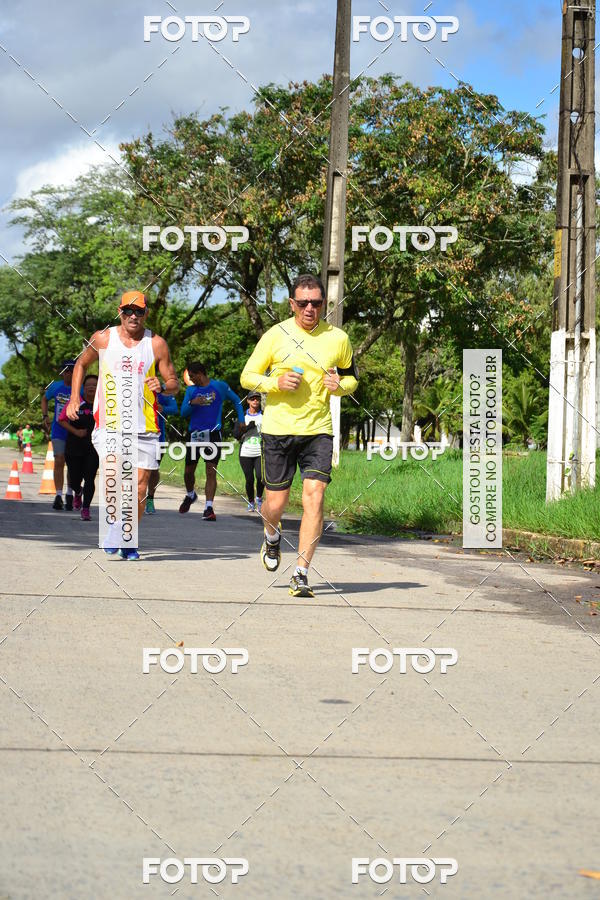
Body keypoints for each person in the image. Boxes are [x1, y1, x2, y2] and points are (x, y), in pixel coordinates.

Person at [240, 273, 358, 598]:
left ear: (323, 304)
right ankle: (272, 536)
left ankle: (301, 573)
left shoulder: (338, 339)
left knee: (315, 496)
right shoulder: (275, 336)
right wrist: (273, 384)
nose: (309, 308)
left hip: (318, 431)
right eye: (303, 302)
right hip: (278, 430)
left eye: (316, 303)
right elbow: (247, 375)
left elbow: (351, 380)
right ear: (292, 303)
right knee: (274, 505)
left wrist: (340, 387)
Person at [66, 291, 179, 559]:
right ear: (119, 312)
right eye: (128, 311)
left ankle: (128, 537)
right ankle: (116, 527)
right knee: (114, 476)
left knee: (140, 485)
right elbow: (80, 364)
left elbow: (174, 382)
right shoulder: (103, 338)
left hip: (146, 426)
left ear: (146, 314)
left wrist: (163, 386)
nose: (133, 316)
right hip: (110, 423)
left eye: (138, 311)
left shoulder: (157, 344)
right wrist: (74, 398)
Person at [179, 362, 244, 520]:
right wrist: (192, 403)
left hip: (213, 434)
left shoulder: (219, 386)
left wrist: (241, 420)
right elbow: (183, 413)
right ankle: (190, 495)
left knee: (211, 471)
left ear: (200, 373)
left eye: (192, 376)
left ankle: (208, 508)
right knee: (188, 472)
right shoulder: (191, 390)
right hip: (195, 435)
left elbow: (236, 400)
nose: (191, 379)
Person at [58, 375, 99, 521]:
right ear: (83, 387)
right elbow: (61, 419)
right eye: (88, 385)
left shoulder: (104, 404)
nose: (91, 387)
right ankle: (78, 491)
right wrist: (76, 432)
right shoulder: (76, 402)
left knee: (90, 478)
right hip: (74, 445)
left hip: (94, 447)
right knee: (74, 479)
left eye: (95, 385)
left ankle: (86, 508)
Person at [42, 361, 75, 510]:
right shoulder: (56, 386)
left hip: (74, 430)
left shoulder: (80, 388)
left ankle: (70, 493)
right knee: (59, 460)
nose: (69, 373)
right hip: (58, 430)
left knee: (73, 463)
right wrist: (45, 416)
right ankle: (58, 495)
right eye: (66, 371)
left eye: (72, 370)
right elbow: (44, 398)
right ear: (62, 373)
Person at [145, 392, 179, 514]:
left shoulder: (161, 392)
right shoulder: (133, 388)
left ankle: (150, 498)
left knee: (154, 470)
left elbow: (175, 409)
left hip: (158, 438)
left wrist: (162, 408)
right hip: (137, 437)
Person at [236, 391, 264, 512]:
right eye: (252, 399)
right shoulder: (242, 416)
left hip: (259, 451)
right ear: (248, 401)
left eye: (257, 399)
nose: (255, 401)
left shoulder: (265, 415)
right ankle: (251, 502)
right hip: (245, 452)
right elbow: (236, 434)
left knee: (260, 476)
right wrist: (248, 428)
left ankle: (259, 498)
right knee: (249, 479)